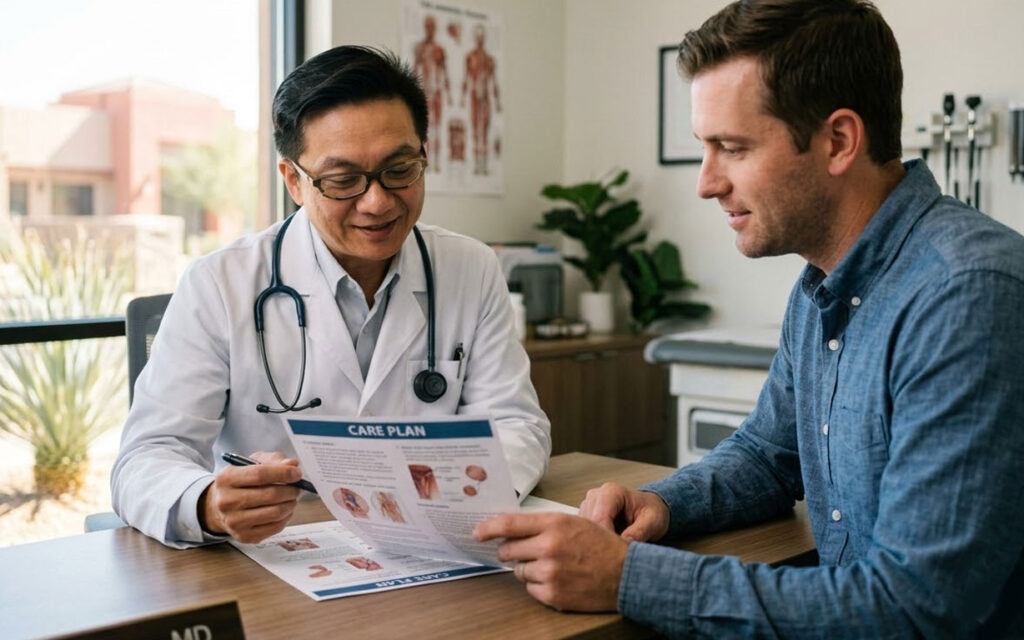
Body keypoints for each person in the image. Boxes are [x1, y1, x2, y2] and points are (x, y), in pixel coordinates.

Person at [474, 1, 1024, 637]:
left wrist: (627, 577)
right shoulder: (823, 282)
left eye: (730, 148)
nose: (706, 183)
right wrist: (661, 503)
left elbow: (916, 609)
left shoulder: (968, 296)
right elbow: (768, 455)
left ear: (839, 141)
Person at [112, 46, 550, 549]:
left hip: (436, 545)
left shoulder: (470, 268)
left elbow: (516, 424)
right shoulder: (220, 283)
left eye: (400, 169)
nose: (378, 202)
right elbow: (145, 457)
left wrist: (467, 498)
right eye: (343, 181)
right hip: (281, 555)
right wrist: (208, 503)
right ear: (294, 181)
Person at [412, 14, 451, 171]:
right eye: (427, 27)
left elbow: (445, 72)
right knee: (425, 127)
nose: (429, 30)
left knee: (438, 127)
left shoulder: (439, 50)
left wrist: (450, 95)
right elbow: (414, 70)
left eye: (432, 27)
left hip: (437, 92)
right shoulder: (420, 49)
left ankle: (437, 161)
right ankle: (426, 161)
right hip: (425, 92)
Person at [461, 23, 501, 175]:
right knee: (475, 132)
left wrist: (497, 102)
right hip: (474, 99)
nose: (479, 38)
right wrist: (462, 98)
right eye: (477, 35)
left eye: (482, 35)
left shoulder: (490, 60)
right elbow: (466, 78)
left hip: (486, 100)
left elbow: (494, 82)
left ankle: (483, 165)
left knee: (484, 132)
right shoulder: (470, 57)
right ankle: (477, 165)